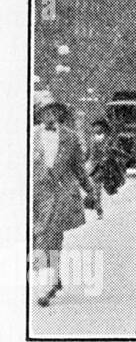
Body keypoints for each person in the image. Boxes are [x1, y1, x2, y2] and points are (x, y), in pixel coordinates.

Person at [31, 99, 97, 306]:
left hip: (61, 193)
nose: (49, 116)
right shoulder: (31, 136)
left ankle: (46, 286)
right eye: (45, 112)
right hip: (38, 192)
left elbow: (79, 168)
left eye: (53, 112)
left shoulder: (70, 137)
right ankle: (54, 277)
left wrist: (90, 190)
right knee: (38, 235)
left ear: (59, 115)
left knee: (50, 236)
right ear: (40, 115)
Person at [85, 118, 124, 219]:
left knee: (108, 186)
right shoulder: (91, 139)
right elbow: (88, 153)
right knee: (96, 188)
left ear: (103, 128)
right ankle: (98, 208)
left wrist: (110, 155)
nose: (95, 128)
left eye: (98, 126)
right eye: (94, 126)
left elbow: (114, 151)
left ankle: (111, 188)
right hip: (95, 167)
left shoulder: (109, 139)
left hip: (107, 166)